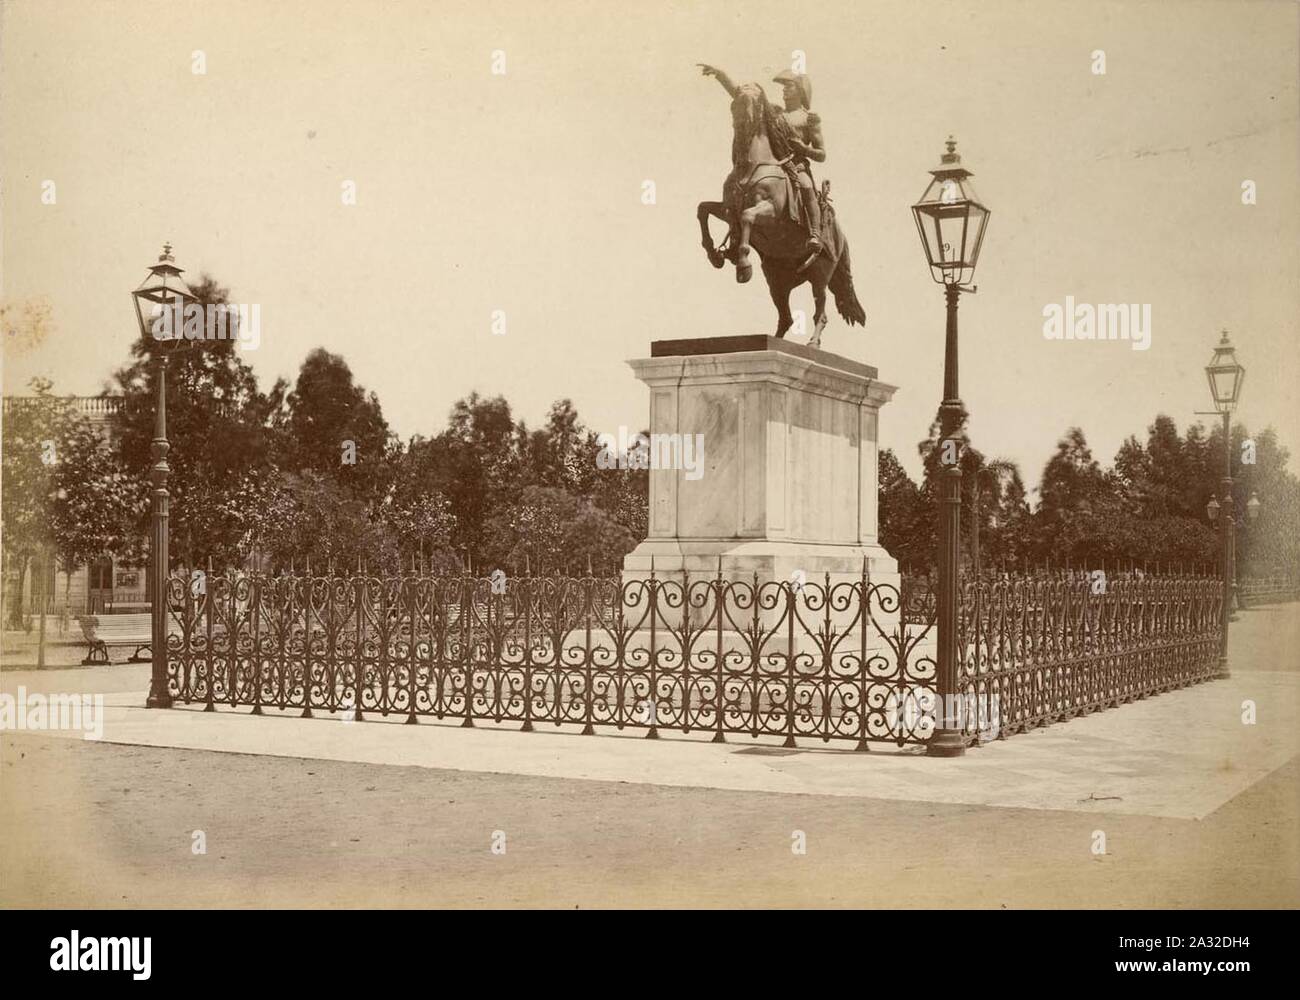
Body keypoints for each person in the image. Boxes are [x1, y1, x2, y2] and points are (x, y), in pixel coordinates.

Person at [697, 64, 826, 259]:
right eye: (784, 87)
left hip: (796, 166)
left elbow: (822, 154)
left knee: (807, 186)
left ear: (799, 90)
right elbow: (742, 95)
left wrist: (804, 148)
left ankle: (815, 233)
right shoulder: (774, 113)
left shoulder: (809, 119)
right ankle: (735, 235)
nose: (784, 90)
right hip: (774, 164)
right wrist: (721, 75)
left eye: (789, 86)